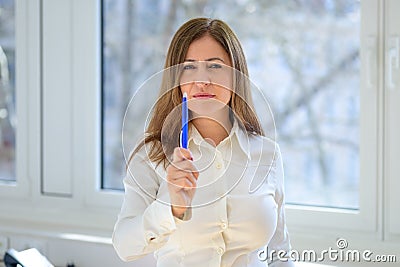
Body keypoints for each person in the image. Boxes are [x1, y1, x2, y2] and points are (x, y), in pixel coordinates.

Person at [112, 17, 294, 267]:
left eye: (215, 66)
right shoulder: (151, 154)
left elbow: (279, 252)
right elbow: (124, 246)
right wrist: (170, 207)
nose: (202, 80)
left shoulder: (268, 154)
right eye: (189, 67)